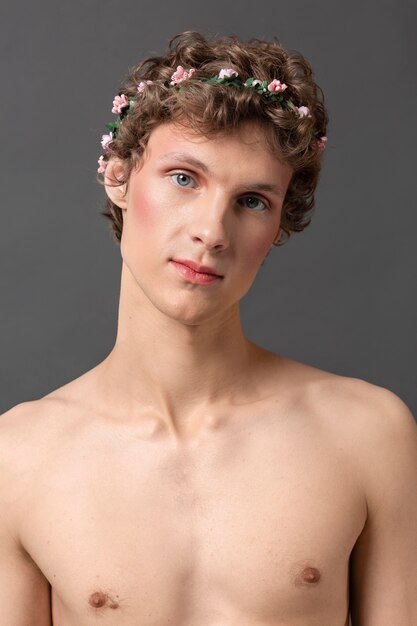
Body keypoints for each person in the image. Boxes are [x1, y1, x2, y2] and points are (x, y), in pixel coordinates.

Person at [0, 30, 416, 626]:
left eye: (251, 201)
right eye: (184, 178)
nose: (212, 231)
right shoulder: (17, 459)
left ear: (277, 227)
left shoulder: (367, 434)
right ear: (118, 176)